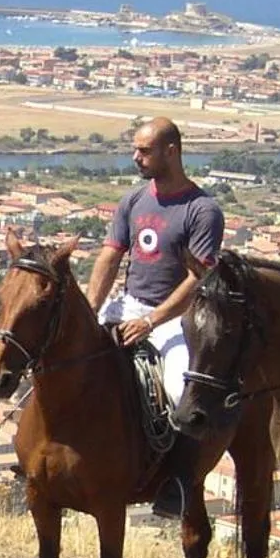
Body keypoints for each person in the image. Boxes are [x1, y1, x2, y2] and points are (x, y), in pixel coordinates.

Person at [85, 117, 225, 516]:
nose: (136, 157)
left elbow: (197, 280)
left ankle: (177, 481)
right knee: (64, 354)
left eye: (144, 151)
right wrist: (91, 310)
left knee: (183, 390)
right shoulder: (133, 201)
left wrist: (152, 322)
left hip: (176, 318)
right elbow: (110, 255)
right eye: (135, 149)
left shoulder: (202, 210)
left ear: (171, 151)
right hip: (127, 303)